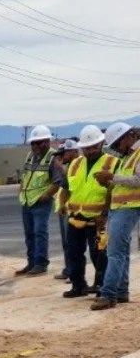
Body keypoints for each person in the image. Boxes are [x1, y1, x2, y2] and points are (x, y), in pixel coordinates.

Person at [62, 125, 117, 300]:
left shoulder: (112, 163)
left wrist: (105, 214)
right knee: (73, 253)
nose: (90, 151)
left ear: (101, 144)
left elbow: (113, 192)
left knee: (99, 254)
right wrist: (62, 204)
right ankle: (78, 285)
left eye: (93, 147)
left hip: (98, 219)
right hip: (75, 217)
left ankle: (101, 286)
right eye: (86, 148)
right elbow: (66, 187)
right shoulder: (76, 163)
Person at [91, 122, 140, 310]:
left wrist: (111, 177)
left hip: (129, 207)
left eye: (117, 144)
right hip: (121, 206)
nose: (116, 150)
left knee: (115, 252)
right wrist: (108, 183)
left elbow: (138, 181)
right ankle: (120, 292)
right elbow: (124, 182)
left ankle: (108, 294)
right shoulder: (129, 156)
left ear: (129, 136)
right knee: (122, 252)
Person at [15, 125, 58, 276]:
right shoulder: (30, 156)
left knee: (39, 232)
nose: (35, 146)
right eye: (33, 143)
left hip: (41, 203)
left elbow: (57, 181)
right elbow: (25, 176)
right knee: (29, 233)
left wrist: (46, 196)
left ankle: (41, 263)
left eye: (38, 143)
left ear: (47, 142)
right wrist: (21, 190)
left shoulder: (53, 157)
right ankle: (31, 262)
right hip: (27, 201)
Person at [52, 138, 79, 280]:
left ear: (73, 151)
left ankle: (73, 273)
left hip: (73, 209)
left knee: (72, 244)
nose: (61, 157)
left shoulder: (77, 166)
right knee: (66, 243)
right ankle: (68, 269)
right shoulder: (70, 166)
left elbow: (70, 186)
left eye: (63, 154)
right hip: (64, 208)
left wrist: (59, 166)